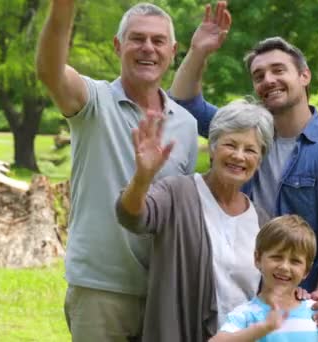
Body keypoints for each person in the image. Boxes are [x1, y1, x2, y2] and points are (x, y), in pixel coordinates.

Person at [169, 2, 318, 331]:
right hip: (238, 302)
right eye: (259, 76)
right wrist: (200, 51)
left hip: (298, 312)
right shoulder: (245, 133)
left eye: (278, 70)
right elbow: (184, 103)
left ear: (304, 76)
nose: (268, 80)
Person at [35, 2, 198, 340]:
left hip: (162, 293)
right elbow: (50, 70)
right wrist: (64, 7)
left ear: (173, 50)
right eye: (137, 38)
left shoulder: (186, 124)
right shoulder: (93, 102)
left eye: (157, 40)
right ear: (117, 46)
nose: (148, 48)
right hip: (100, 290)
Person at [116, 99, 274, 341]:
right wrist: (142, 178)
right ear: (212, 148)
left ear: (260, 159)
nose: (239, 156)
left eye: (250, 150)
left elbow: (273, 284)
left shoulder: (261, 220)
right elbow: (131, 216)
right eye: (230, 144)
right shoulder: (177, 192)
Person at [210, 215, 318, 342]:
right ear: (257, 259)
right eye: (276, 257)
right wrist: (263, 328)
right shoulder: (246, 315)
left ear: (306, 271)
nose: (284, 267)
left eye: (295, 261)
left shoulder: (316, 313)